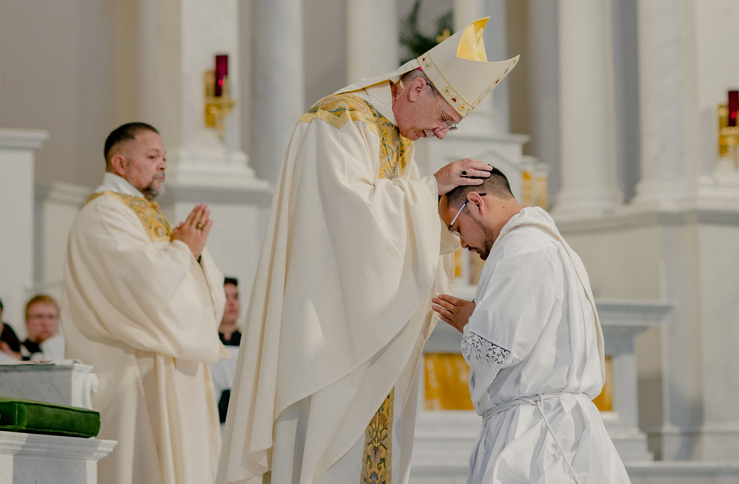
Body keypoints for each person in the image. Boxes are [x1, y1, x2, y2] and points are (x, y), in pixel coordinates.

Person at [218, 17, 518, 484]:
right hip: (328, 327)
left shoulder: (397, 138)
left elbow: (393, 226)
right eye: (444, 120)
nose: (440, 134)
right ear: (418, 88)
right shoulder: (338, 120)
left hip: (370, 329)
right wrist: (431, 189)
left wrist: (437, 222)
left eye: (451, 127)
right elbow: (348, 220)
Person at [431, 168, 631, 483]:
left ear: (476, 203)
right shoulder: (538, 242)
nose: (462, 244)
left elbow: (497, 347)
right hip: (542, 424)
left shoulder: (522, 247)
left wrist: (471, 321)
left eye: (455, 228)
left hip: (536, 436)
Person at [61, 122, 227, 484]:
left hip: (169, 365)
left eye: (164, 158)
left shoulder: (146, 212)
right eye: (152, 157)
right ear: (120, 164)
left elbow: (193, 286)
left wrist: (193, 254)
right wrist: (183, 249)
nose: (162, 165)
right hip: (131, 370)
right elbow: (142, 285)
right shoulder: (104, 213)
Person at [211, 277, 242, 424]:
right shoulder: (207, 347)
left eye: (235, 297)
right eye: (225, 297)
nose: (232, 303)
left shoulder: (248, 347)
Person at [20, 294, 64, 361]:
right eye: (39, 316)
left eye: (51, 317)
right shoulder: (13, 353)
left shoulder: (67, 354)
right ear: (27, 321)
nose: (45, 322)